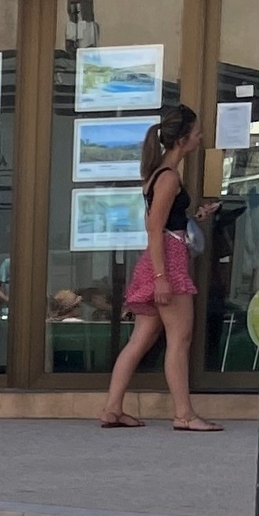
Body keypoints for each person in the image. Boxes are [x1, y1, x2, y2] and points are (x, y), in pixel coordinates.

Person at [98, 104, 220, 432]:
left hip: (158, 258)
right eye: (196, 133)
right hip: (167, 260)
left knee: (141, 338)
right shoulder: (169, 177)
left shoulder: (156, 173)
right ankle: (183, 414)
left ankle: (112, 408)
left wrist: (194, 218)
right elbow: (155, 227)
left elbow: (163, 223)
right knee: (180, 338)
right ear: (182, 139)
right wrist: (162, 277)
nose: (200, 137)